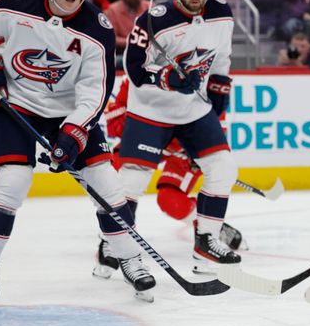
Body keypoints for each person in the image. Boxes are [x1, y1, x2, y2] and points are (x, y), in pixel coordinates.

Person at [0, 0, 155, 308]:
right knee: (12, 181)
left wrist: (73, 133)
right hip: (19, 106)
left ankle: (129, 258)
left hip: (70, 113)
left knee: (105, 182)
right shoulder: (19, 1)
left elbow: (96, 90)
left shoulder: (98, 28)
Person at [119, 0, 241, 274]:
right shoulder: (154, 19)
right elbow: (133, 68)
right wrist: (166, 78)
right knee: (132, 178)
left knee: (223, 167)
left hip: (193, 110)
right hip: (150, 109)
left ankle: (206, 244)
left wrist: (218, 90)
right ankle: (114, 244)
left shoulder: (221, 13)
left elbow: (221, 58)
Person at [100, 79, 245, 265]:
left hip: (183, 148)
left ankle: (207, 228)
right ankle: (111, 240)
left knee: (170, 201)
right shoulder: (137, 74)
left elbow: (215, 116)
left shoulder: (197, 72)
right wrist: (148, 129)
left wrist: (194, 142)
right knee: (120, 182)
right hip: (145, 137)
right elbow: (114, 121)